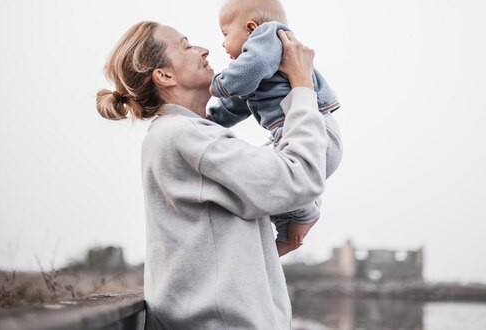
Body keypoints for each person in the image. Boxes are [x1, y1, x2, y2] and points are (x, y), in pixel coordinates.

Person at [96, 21, 328, 329]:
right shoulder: (184, 135)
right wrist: (301, 86)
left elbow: (277, 189)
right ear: (164, 75)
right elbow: (301, 178)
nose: (204, 50)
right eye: (186, 45)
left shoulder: (180, 135)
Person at [208, 0, 343, 255]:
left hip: (316, 133)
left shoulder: (268, 36)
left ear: (250, 28)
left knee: (264, 178)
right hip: (302, 135)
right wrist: (212, 121)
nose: (223, 45)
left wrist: (219, 84)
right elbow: (237, 103)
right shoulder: (263, 68)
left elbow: (250, 69)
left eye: (225, 34)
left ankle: (305, 212)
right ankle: (287, 230)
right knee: (258, 179)